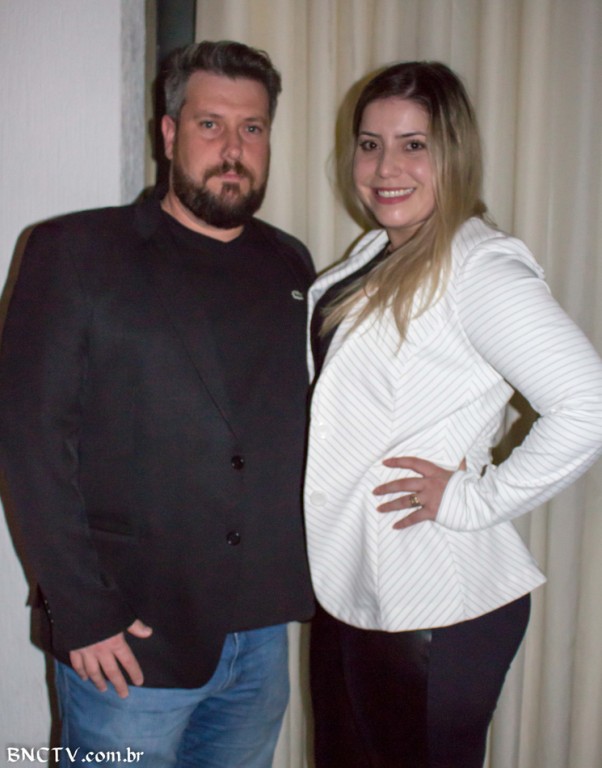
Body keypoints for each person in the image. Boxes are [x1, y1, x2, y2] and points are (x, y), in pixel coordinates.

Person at [0, 40, 315, 768]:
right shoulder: (74, 251)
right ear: (169, 133)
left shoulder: (290, 263)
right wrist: (82, 612)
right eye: (210, 125)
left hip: (260, 639)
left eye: (252, 128)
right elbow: (30, 439)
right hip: (127, 639)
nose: (233, 149)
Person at [305, 61, 602, 768]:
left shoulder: (480, 268)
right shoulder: (379, 250)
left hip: (436, 602)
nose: (386, 167)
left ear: (455, 153)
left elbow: (586, 406)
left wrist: (472, 499)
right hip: (357, 587)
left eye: (414, 144)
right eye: (370, 144)